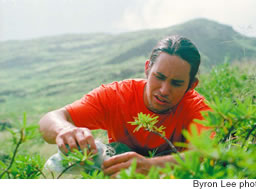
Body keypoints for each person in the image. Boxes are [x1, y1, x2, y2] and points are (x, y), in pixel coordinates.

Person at [39, 35, 211, 177]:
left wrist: (151, 165)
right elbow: (50, 119)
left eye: (176, 83)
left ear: (191, 85)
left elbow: (207, 154)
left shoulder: (198, 108)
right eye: (159, 77)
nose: (164, 90)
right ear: (147, 69)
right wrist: (64, 130)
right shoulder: (116, 95)